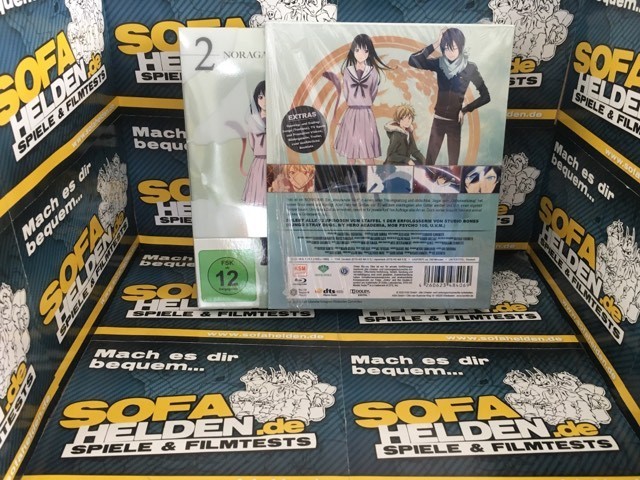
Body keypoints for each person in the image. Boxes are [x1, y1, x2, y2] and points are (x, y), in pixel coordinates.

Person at [408, 27, 490, 165]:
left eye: (453, 48)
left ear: (461, 47)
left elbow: (486, 96)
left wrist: (465, 109)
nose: (449, 53)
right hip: (438, 121)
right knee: (429, 163)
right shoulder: (439, 63)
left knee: (453, 164)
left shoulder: (470, 68)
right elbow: (412, 60)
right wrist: (436, 43)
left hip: (455, 123)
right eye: (446, 48)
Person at [327, 34, 391, 165]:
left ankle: (372, 175)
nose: (361, 54)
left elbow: (373, 92)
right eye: (357, 50)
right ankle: (349, 175)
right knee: (350, 151)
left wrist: (364, 101)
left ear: (369, 52)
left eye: (365, 51)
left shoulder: (373, 72)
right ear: (353, 51)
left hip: (366, 114)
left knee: (368, 152)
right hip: (351, 113)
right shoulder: (347, 71)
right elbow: (346, 92)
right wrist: (356, 101)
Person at [243, 81, 267, 206]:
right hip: (259, 161)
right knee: (258, 191)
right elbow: (252, 143)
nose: (264, 101)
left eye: (268, 97)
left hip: (274, 161)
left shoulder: (277, 119)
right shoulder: (252, 120)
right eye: (261, 97)